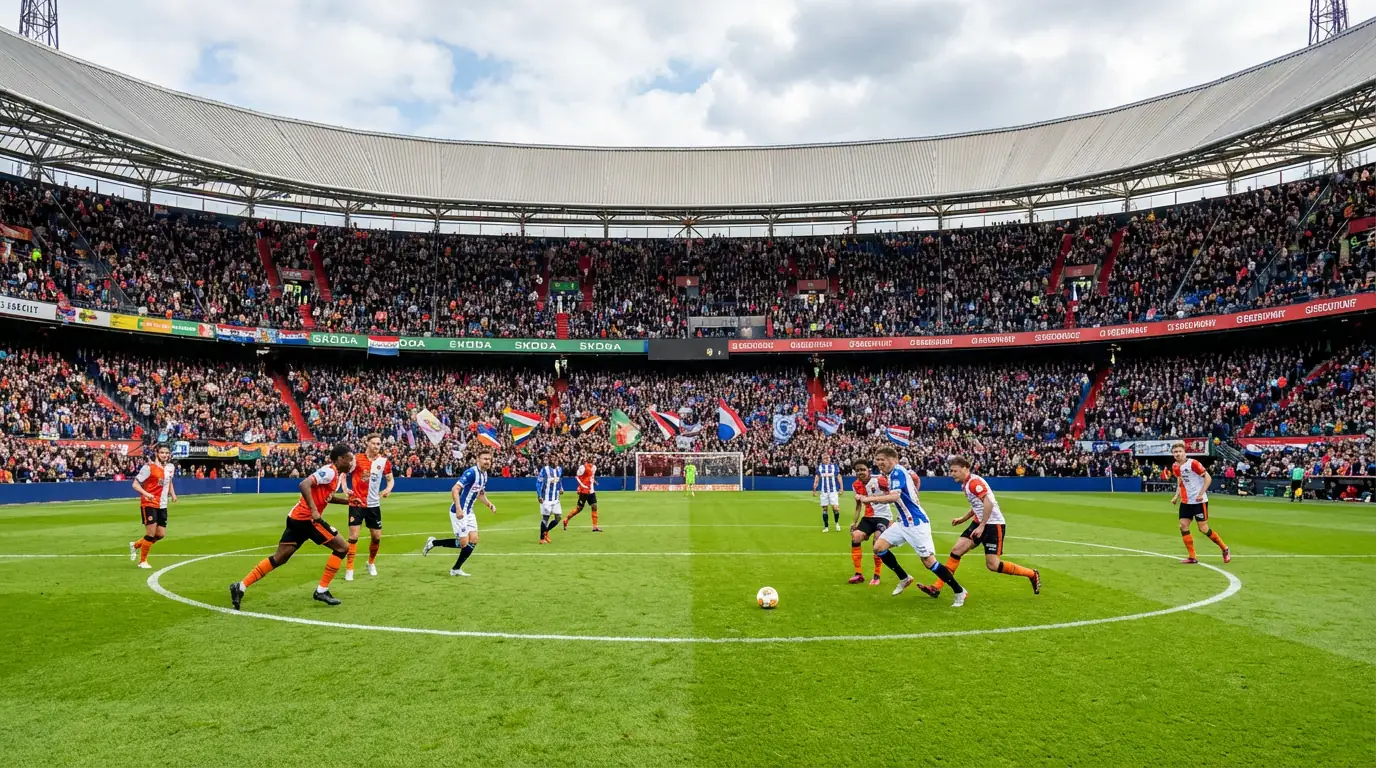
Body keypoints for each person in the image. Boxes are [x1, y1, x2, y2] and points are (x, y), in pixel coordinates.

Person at [229, 444, 355, 609]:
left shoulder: (334, 474)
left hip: (296, 518)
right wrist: (314, 510)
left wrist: (348, 502)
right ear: (340, 459)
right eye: (349, 459)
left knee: (279, 557)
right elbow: (304, 484)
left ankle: (240, 586)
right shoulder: (330, 471)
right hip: (308, 520)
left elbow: (327, 497)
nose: (351, 463)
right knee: (342, 547)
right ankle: (322, 590)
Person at [858, 446, 968, 607]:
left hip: (916, 524)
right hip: (903, 522)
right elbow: (913, 481)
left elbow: (894, 496)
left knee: (929, 562)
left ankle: (959, 591)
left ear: (894, 460)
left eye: (883, 459)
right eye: (877, 460)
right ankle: (904, 578)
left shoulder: (897, 472)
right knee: (879, 547)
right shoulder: (892, 474)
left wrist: (869, 499)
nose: (879, 463)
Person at [918, 457, 1040, 598]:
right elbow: (977, 506)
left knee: (993, 565)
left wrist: (982, 526)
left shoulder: (974, 483)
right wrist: (963, 519)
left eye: (955, 471)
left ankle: (1032, 574)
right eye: (951, 471)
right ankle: (936, 587)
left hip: (993, 524)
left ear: (965, 468)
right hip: (979, 523)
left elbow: (989, 503)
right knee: (956, 551)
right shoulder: (966, 484)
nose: (952, 474)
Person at [423, 450, 496, 576]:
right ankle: (433, 543)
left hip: (469, 512)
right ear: (478, 459)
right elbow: (455, 489)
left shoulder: (484, 475)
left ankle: (456, 569)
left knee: (474, 539)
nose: (487, 461)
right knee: (463, 543)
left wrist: (489, 505)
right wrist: (458, 508)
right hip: (459, 511)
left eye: (489, 459)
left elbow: (480, 493)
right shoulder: (471, 473)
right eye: (485, 459)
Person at [1171, 443, 1231, 564]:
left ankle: (1224, 548)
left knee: (1203, 529)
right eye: (1175, 452)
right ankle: (1192, 557)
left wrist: (1200, 493)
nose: (1178, 454)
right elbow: (1180, 481)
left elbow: (1208, 478)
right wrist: (1176, 496)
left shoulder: (1193, 463)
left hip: (1199, 501)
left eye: (1180, 451)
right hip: (1186, 501)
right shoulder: (1175, 466)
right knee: (1183, 525)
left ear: (1184, 452)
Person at [345, 433, 393, 581]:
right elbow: (343, 474)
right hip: (357, 503)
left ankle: (371, 562)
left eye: (378, 444)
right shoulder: (356, 458)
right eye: (374, 443)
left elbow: (390, 480)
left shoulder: (384, 462)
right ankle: (350, 568)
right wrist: (345, 488)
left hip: (373, 504)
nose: (376, 446)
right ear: (367, 443)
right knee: (353, 537)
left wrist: (388, 489)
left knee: (376, 537)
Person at [129, 443, 176, 569]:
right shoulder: (148, 467)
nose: (164, 455)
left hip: (162, 504)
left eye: (166, 453)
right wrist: (146, 494)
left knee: (160, 534)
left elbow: (169, 482)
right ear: (156, 453)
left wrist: (173, 494)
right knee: (150, 533)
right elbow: (135, 484)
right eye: (162, 452)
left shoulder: (170, 467)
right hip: (149, 503)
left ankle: (136, 545)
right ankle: (142, 561)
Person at [847, 459, 890, 586]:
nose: (860, 472)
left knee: (877, 541)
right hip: (868, 517)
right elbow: (858, 505)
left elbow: (892, 495)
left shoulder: (879, 480)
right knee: (856, 536)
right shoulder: (855, 485)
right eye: (858, 470)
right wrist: (854, 522)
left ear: (869, 470)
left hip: (883, 516)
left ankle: (877, 574)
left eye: (863, 469)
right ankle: (858, 573)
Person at [564, 459, 602, 532]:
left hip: (591, 491)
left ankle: (595, 526)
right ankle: (566, 519)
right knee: (579, 508)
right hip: (584, 491)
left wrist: (594, 481)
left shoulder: (594, 467)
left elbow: (591, 477)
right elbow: (578, 477)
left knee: (594, 506)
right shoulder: (582, 467)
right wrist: (580, 487)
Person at [536, 456, 563, 544]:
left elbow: (559, 480)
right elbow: (538, 483)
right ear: (550, 461)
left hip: (555, 498)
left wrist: (561, 488)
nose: (556, 461)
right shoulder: (545, 470)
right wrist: (539, 495)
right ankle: (541, 538)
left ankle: (546, 531)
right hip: (546, 499)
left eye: (556, 459)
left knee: (558, 517)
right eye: (554, 460)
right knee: (545, 518)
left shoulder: (559, 469)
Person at [813, 454, 842, 532]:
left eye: (828, 458)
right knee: (825, 508)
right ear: (822, 459)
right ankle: (826, 527)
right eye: (825, 458)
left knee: (835, 508)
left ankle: (837, 523)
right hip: (824, 491)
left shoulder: (834, 466)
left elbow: (839, 477)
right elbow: (817, 478)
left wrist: (841, 488)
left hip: (833, 491)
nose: (826, 459)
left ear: (830, 459)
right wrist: (814, 488)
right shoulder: (820, 467)